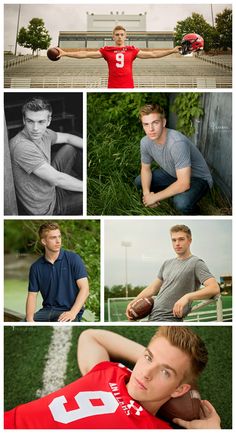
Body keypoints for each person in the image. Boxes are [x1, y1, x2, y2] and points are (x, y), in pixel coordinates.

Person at [4, 326, 221, 429]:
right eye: (147, 358)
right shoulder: (111, 371)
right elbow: (91, 337)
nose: (146, 373)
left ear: (179, 389)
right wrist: (157, 360)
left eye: (165, 372)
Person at [126, 225, 220, 322]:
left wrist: (187, 297)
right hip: (153, 317)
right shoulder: (167, 263)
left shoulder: (196, 263)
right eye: (174, 240)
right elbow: (152, 288)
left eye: (181, 239)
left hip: (170, 319)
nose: (177, 244)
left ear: (189, 241)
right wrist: (133, 302)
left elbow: (214, 288)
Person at [9, 97, 83, 215]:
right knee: (88, 197)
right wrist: (90, 188)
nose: (35, 128)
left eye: (41, 122)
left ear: (48, 121)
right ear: (24, 120)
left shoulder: (45, 133)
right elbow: (57, 179)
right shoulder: (21, 146)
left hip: (50, 185)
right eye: (30, 121)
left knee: (70, 147)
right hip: (48, 207)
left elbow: (68, 137)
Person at [135, 103, 213, 215]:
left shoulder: (176, 143)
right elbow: (145, 169)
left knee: (181, 203)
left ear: (164, 122)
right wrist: (147, 194)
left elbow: (184, 183)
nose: (150, 129)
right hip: (172, 173)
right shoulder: (145, 142)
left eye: (155, 123)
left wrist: (156, 197)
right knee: (139, 182)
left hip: (197, 178)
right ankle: (170, 192)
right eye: (146, 124)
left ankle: (196, 213)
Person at [56, 25, 181, 88]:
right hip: (112, 87)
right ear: (113, 37)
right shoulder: (107, 50)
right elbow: (85, 54)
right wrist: (66, 53)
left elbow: (153, 54)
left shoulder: (132, 50)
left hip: (129, 86)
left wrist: (172, 50)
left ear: (125, 36)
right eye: (117, 35)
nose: (120, 37)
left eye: (122, 34)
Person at [26, 222, 89, 322]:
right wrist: (29, 320)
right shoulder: (36, 267)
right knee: (20, 324)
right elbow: (32, 295)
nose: (58, 241)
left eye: (59, 237)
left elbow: (85, 289)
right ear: (44, 241)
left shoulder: (73, 259)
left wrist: (73, 312)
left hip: (67, 311)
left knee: (60, 327)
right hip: (46, 311)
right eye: (53, 238)